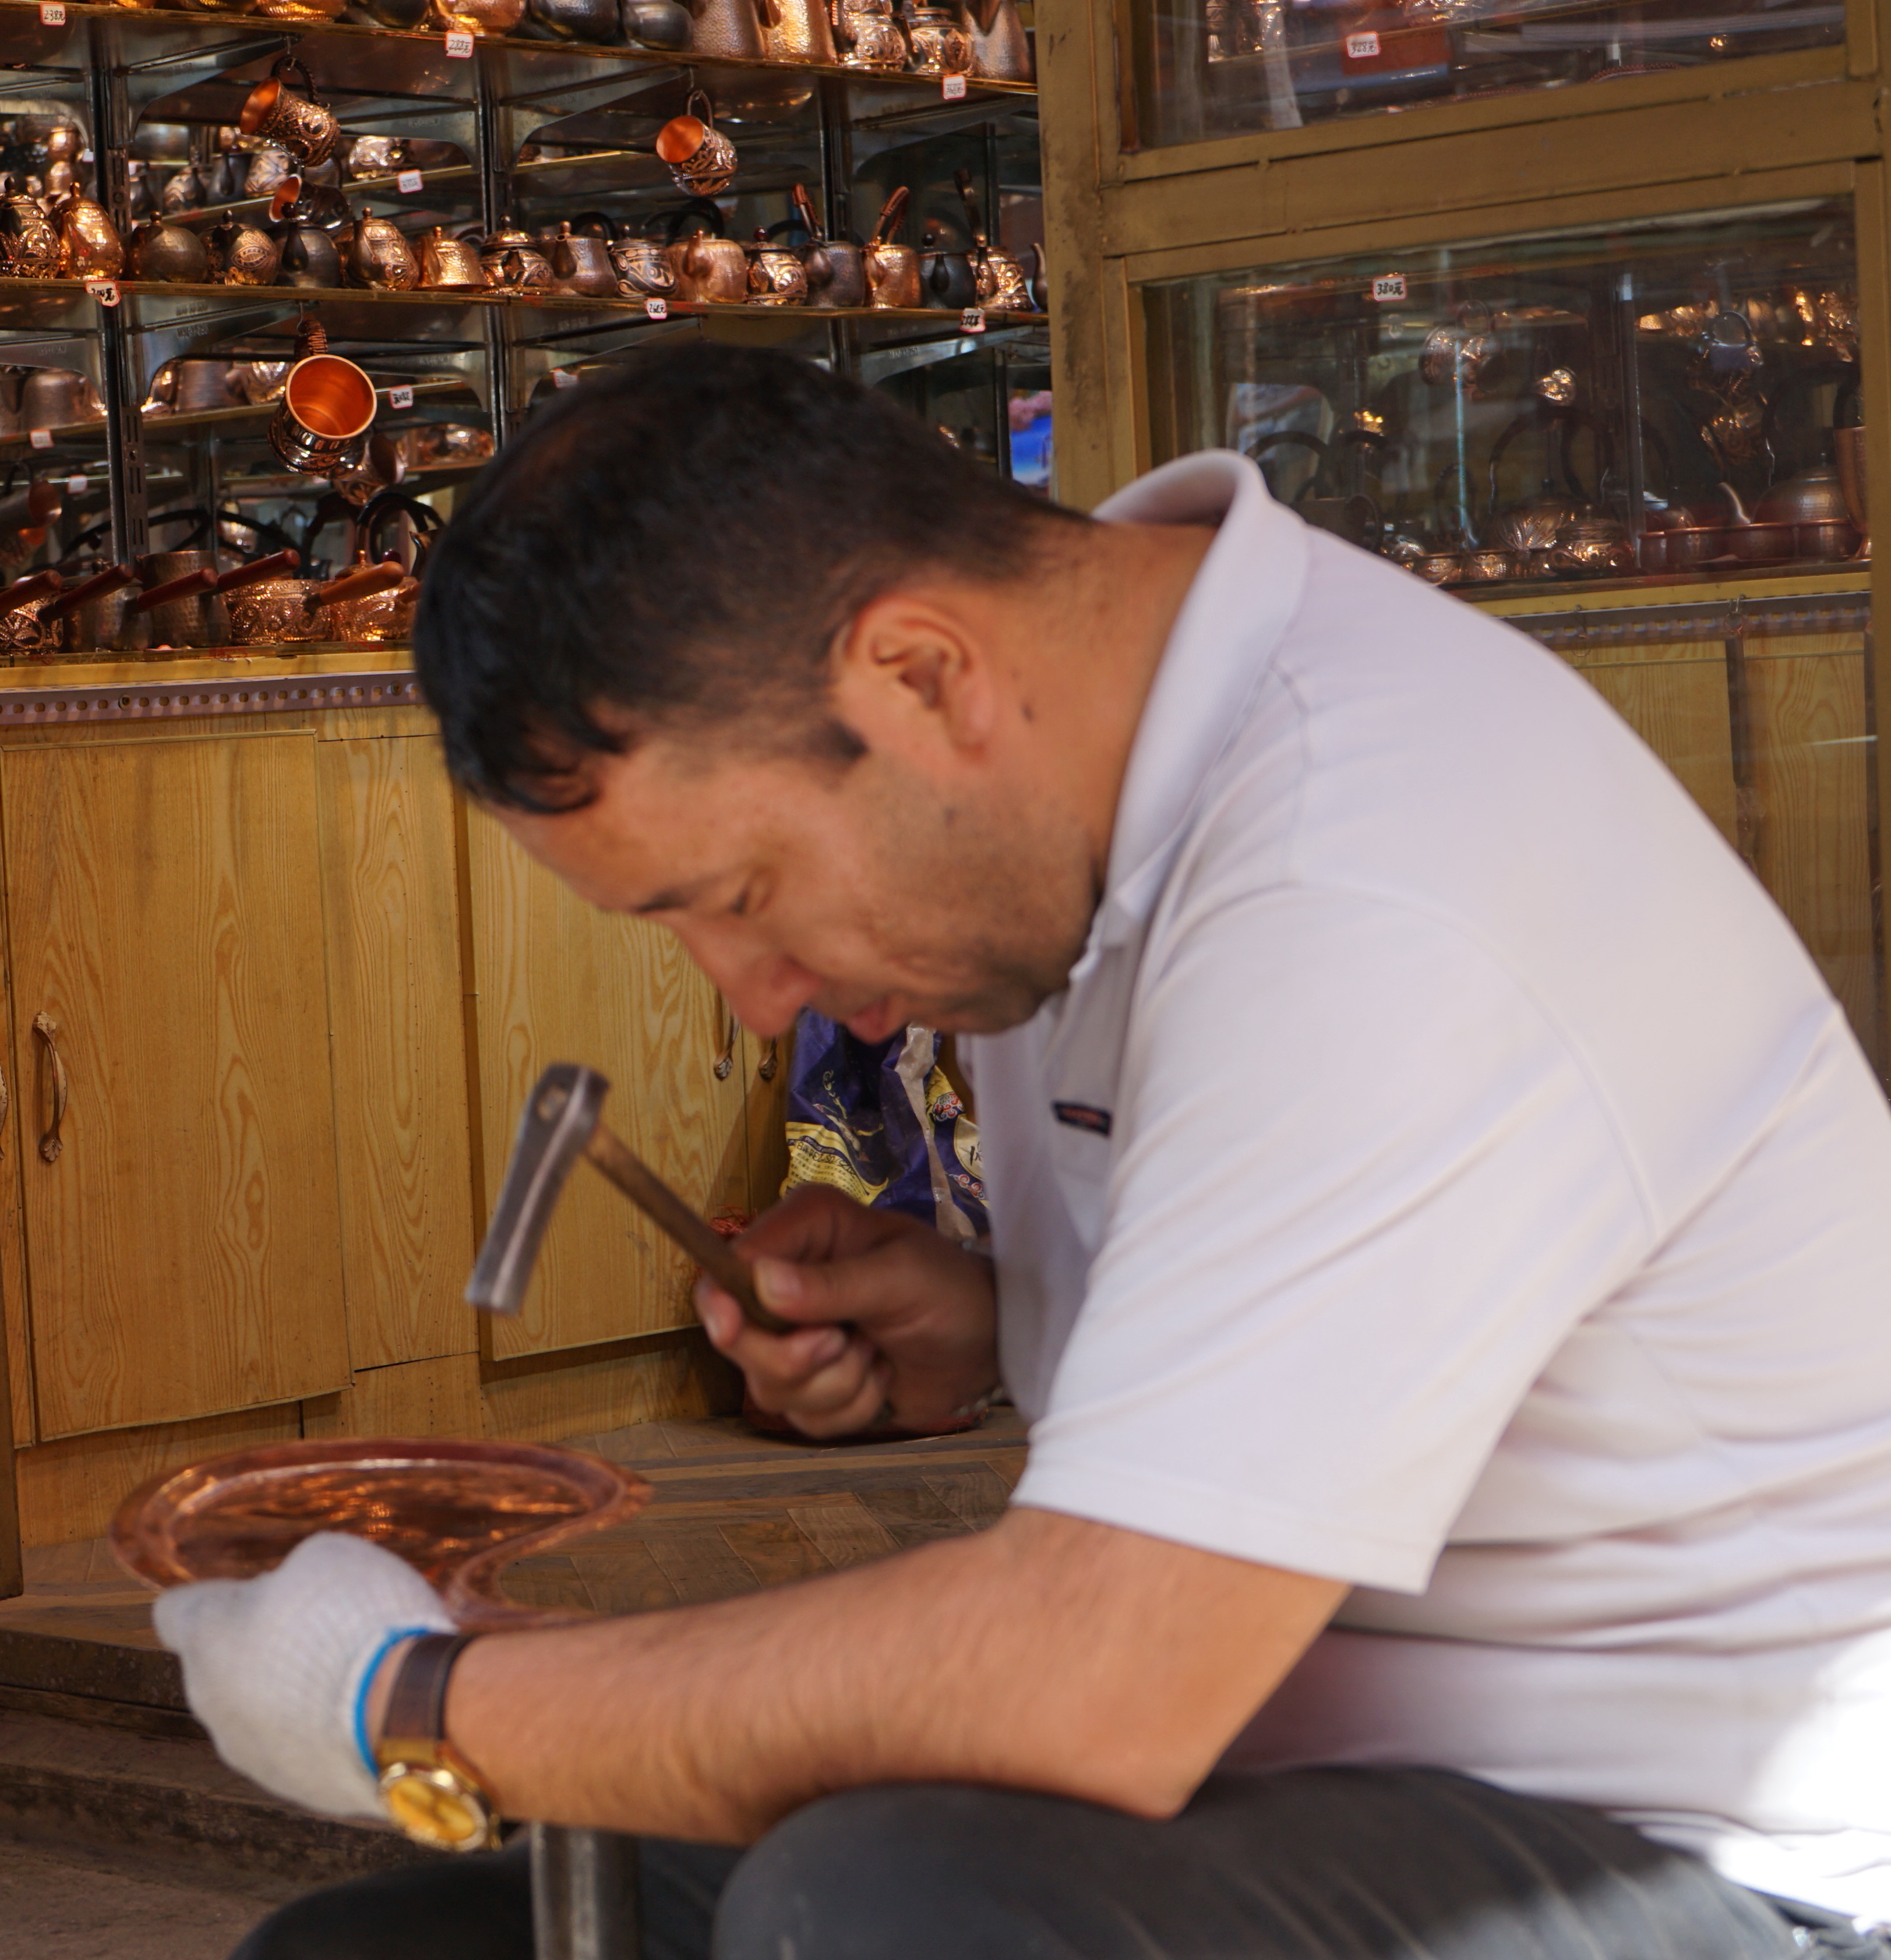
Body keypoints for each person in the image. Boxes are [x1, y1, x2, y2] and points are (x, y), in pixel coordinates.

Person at [149, 348, 1891, 1960]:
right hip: (1271, 1767)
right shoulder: (1072, 802)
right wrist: (994, 1316)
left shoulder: (1367, 874)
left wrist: (414, 1705)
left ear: (920, 674)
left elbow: (1095, 1686)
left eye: (740, 896)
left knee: (897, 1908)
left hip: (1713, 1847)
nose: (758, 1003)